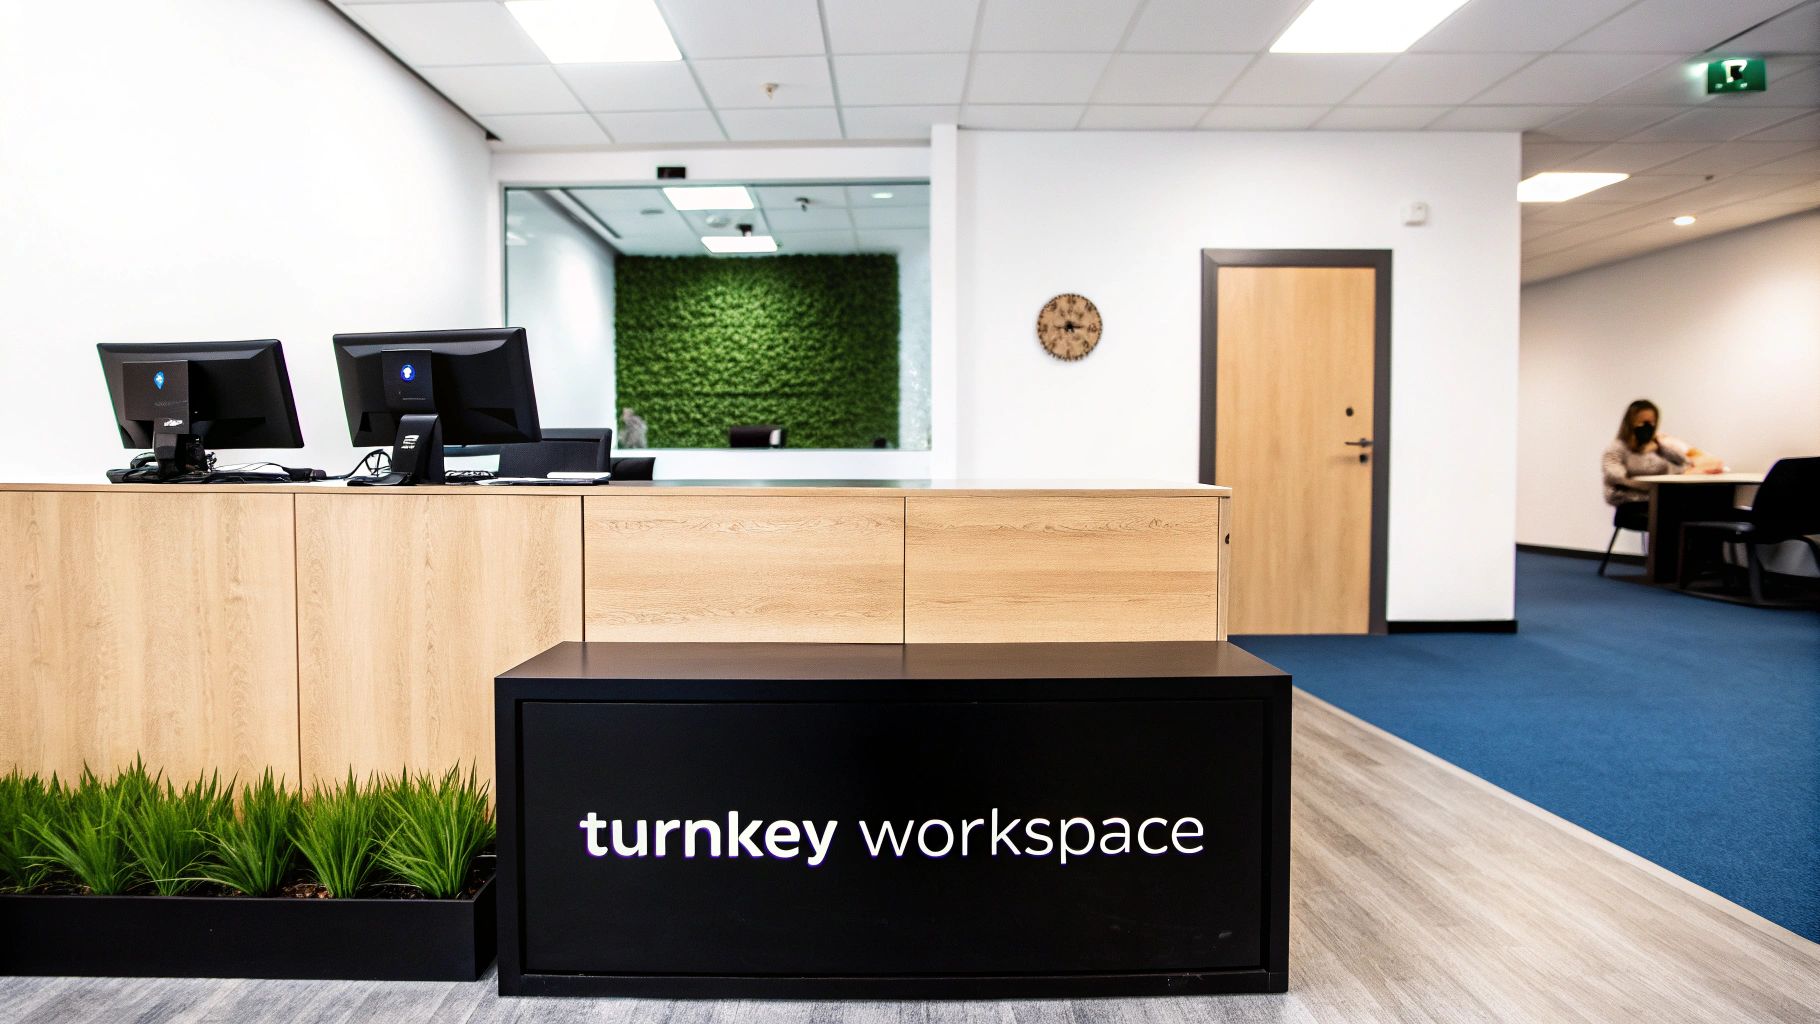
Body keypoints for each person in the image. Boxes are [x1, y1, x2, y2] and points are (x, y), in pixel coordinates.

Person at [1601, 399, 1720, 513]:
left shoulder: (1656, 447)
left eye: (1652, 423)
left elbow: (1685, 461)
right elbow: (1616, 476)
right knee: (1681, 509)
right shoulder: (1618, 448)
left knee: (1705, 500)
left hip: (1660, 497)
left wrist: (1659, 447)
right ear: (1630, 424)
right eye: (1643, 422)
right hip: (1632, 502)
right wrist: (1653, 487)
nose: (1648, 427)